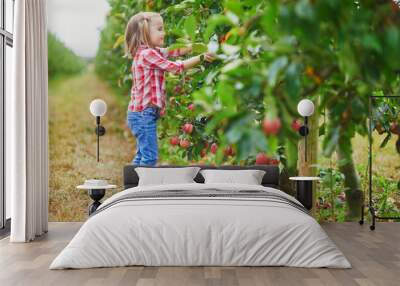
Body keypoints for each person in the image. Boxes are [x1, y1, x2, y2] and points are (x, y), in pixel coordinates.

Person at [124, 11, 215, 166]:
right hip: (142, 115)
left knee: (142, 156)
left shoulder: (152, 52)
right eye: (159, 29)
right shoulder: (147, 54)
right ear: (144, 32)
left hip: (142, 114)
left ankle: (133, 183)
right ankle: (144, 188)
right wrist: (200, 57)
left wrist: (193, 47)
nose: (164, 33)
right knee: (150, 157)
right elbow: (175, 67)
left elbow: (173, 51)